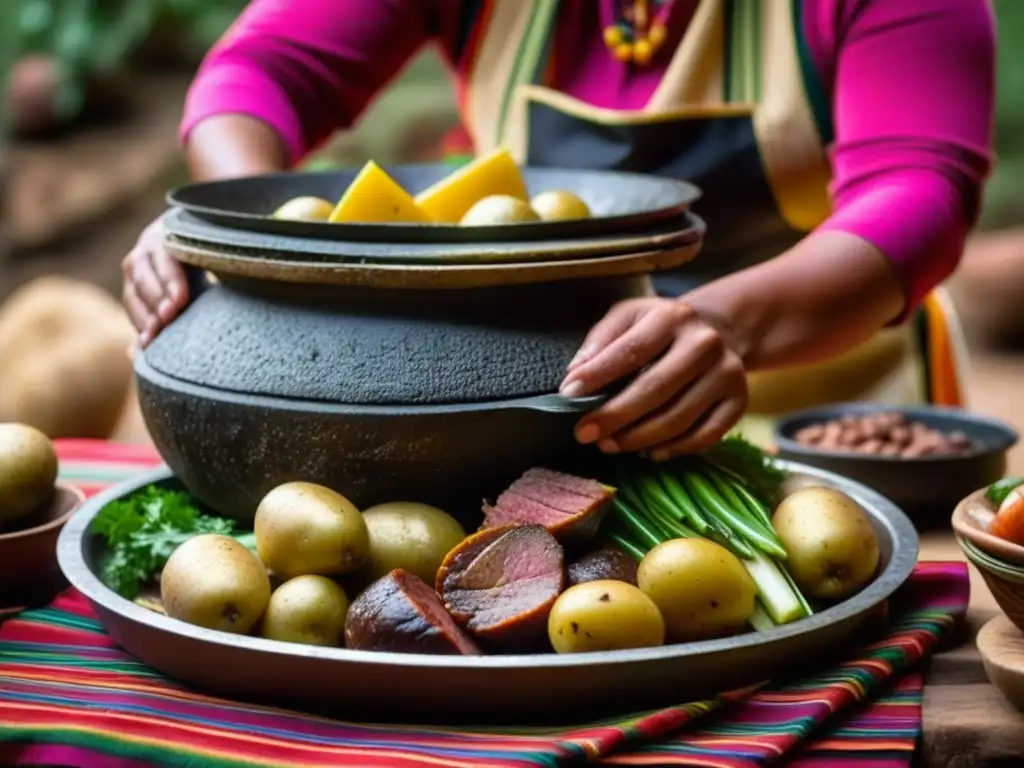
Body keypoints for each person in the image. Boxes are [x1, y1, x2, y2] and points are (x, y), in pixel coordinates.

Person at [122, 0, 995, 461]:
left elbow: (919, 193)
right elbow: (263, 71)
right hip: (540, 409)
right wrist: (239, 228)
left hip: (830, 407)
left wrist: (723, 324)